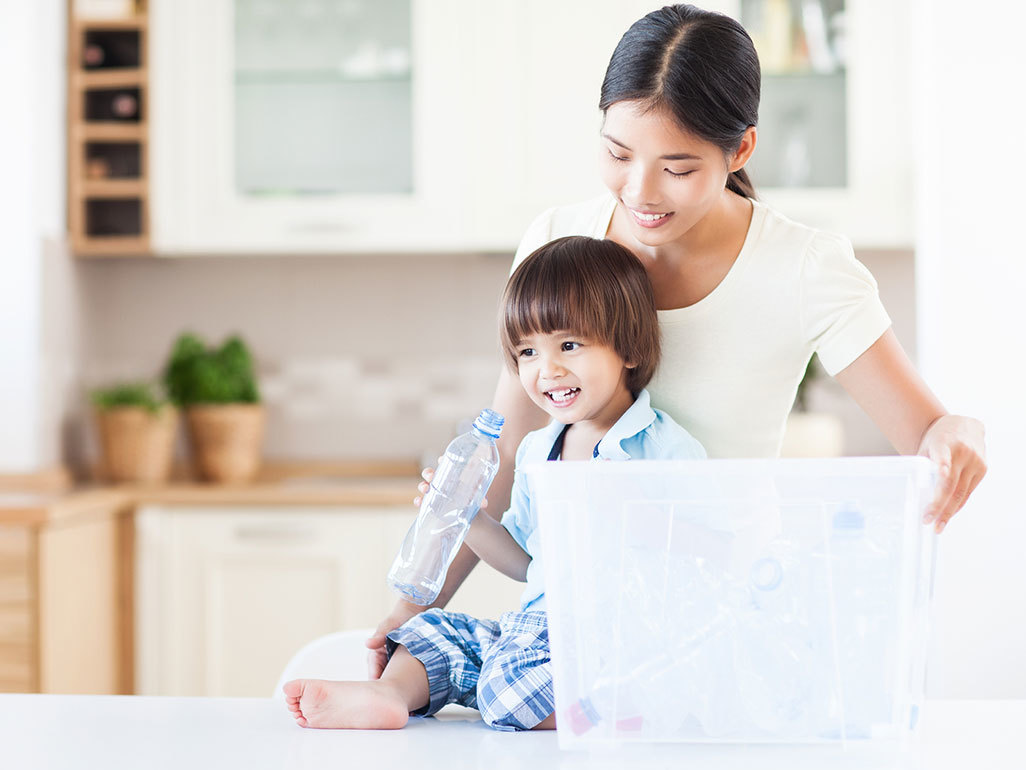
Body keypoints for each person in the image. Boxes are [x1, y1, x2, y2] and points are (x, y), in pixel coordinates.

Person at [364, 3, 987, 680]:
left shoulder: (805, 268)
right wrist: (409, 608)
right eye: (617, 153)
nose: (640, 191)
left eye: (679, 168)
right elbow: (504, 456)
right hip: (588, 628)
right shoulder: (557, 241)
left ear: (740, 149)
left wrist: (961, 432)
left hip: (719, 632)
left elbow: (928, 431)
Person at [283, 236, 706, 730]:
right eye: (527, 352)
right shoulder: (536, 451)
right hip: (535, 630)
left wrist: (647, 525)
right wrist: (469, 520)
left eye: (569, 345)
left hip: (612, 636)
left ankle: (633, 705)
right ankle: (389, 694)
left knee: (507, 688)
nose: (547, 369)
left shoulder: (659, 448)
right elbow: (527, 565)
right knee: (431, 633)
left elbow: (710, 556)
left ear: (629, 348)